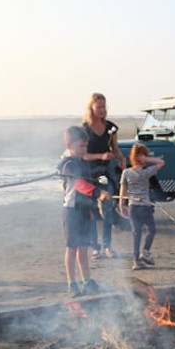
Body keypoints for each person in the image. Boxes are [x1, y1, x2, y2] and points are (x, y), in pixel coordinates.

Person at [59, 125, 110, 297]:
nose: (84, 149)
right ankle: (72, 284)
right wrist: (97, 193)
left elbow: (90, 183)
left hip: (84, 211)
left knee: (83, 248)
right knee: (72, 248)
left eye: (85, 146)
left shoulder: (83, 163)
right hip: (71, 211)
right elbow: (80, 185)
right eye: (81, 146)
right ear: (69, 145)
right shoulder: (68, 164)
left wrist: (93, 209)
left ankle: (87, 281)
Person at [82, 93, 126, 258]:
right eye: (98, 106)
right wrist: (100, 156)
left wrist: (121, 158)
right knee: (92, 211)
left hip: (106, 172)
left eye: (104, 106)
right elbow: (83, 155)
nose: (102, 110)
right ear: (91, 108)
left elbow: (115, 149)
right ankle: (95, 246)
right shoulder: (84, 129)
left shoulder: (111, 128)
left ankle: (107, 245)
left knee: (107, 209)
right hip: (89, 173)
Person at [119, 144, 165, 270]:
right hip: (145, 206)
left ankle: (136, 261)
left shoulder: (126, 172)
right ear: (142, 157)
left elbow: (123, 190)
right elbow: (161, 162)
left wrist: (121, 204)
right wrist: (147, 159)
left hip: (133, 206)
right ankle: (145, 252)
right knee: (152, 230)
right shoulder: (146, 172)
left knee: (136, 233)